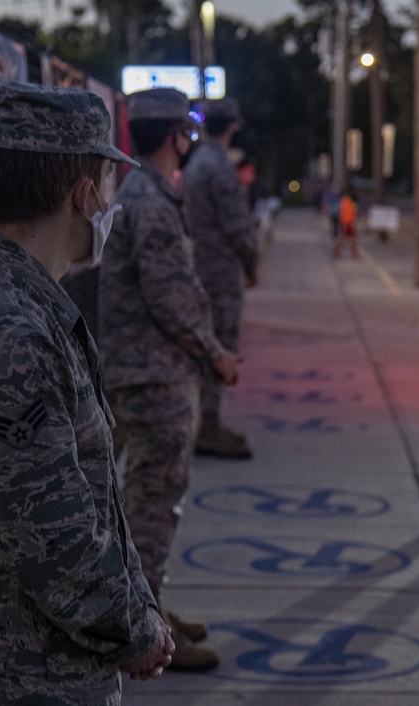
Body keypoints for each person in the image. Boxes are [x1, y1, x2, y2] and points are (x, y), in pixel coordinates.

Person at [0, 82, 174, 705]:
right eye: (105, 184)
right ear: (84, 195)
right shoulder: (14, 334)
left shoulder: (22, 307)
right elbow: (52, 536)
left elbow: (86, 500)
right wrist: (133, 629)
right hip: (21, 675)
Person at [98, 88, 240, 671]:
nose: (191, 140)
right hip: (152, 375)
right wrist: (214, 354)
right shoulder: (151, 202)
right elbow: (171, 296)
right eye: (187, 129)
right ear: (176, 135)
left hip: (143, 369)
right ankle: (142, 625)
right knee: (154, 498)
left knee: (144, 496)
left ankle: (145, 608)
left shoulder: (146, 194)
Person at [182, 97, 259, 459]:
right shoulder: (220, 167)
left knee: (205, 343)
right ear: (232, 126)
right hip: (221, 269)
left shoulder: (196, 163)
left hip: (198, 265)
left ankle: (203, 421)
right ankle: (209, 425)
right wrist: (251, 262)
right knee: (222, 345)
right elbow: (237, 225)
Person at [332, 190, 361, 259]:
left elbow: (341, 213)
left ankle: (338, 251)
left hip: (345, 223)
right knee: (350, 239)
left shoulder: (343, 201)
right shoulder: (351, 203)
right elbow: (353, 214)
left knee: (346, 238)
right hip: (348, 223)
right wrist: (352, 224)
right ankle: (354, 252)